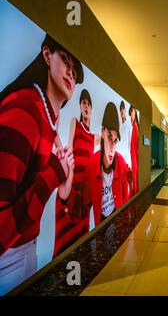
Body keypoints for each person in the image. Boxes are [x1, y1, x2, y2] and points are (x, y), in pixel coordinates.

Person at [0, 34, 83, 294]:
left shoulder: (46, 116)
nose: (71, 71)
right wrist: (53, 174)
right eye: (65, 59)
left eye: (75, 70)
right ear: (47, 56)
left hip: (23, 249)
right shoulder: (25, 111)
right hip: (9, 257)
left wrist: (59, 175)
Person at [53, 89, 100, 257]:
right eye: (83, 103)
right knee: (65, 242)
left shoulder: (95, 137)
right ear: (80, 107)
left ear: (92, 109)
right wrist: (55, 136)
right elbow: (69, 148)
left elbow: (110, 141)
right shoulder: (75, 123)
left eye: (88, 104)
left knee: (82, 243)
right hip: (71, 187)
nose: (86, 106)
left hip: (84, 194)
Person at [80, 102, 130, 226]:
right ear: (102, 132)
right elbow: (85, 203)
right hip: (100, 224)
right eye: (109, 137)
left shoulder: (121, 164)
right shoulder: (92, 164)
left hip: (118, 221)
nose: (112, 146)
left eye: (115, 140)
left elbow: (127, 198)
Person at [129, 105, 139, 195]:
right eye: (130, 113)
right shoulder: (134, 126)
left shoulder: (135, 126)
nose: (131, 115)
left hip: (134, 158)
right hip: (134, 158)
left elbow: (135, 147)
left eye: (132, 112)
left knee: (135, 178)